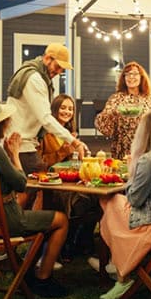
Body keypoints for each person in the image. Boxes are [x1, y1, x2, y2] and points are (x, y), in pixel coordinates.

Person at [0, 96, 70, 298]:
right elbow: (21, 184)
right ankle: (43, 279)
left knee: (41, 219)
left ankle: (27, 270)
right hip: (6, 220)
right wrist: (14, 155)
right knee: (61, 220)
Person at [90, 111, 151, 299]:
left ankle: (121, 273)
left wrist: (132, 172)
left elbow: (134, 199)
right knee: (112, 203)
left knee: (109, 203)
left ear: (141, 132)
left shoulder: (149, 160)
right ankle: (115, 262)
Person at [6, 43, 89, 207]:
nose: (59, 72)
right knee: (33, 186)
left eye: (61, 69)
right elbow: (45, 118)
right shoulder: (34, 79)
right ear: (46, 59)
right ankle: (14, 223)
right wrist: (75, 142)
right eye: (58, 66)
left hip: (26, 142)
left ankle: (31, 226)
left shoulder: (38, 77)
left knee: (35, 187)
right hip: (21, 144)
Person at [38, 93, 96, 262]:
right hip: (52, 186)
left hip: (70, 182)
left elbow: (73, 161)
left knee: (96, 199)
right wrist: (64, 151)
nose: (67, 111)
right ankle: (65, 246)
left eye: (70, 108)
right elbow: (40, 163)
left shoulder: (70, 133)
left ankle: (80, 243)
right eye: (63, 107)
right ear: (55, 109)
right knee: (82, 201)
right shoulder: (45, 133)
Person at [94, 61, 151, 160]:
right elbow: (104, 126)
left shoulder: (149, 98)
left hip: (144, 145)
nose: (131, 77)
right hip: (122, 146)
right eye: (127, 74)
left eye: (135, 74)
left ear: (141, 77)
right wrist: (110, 113)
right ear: (124, 78)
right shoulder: (115, 98)